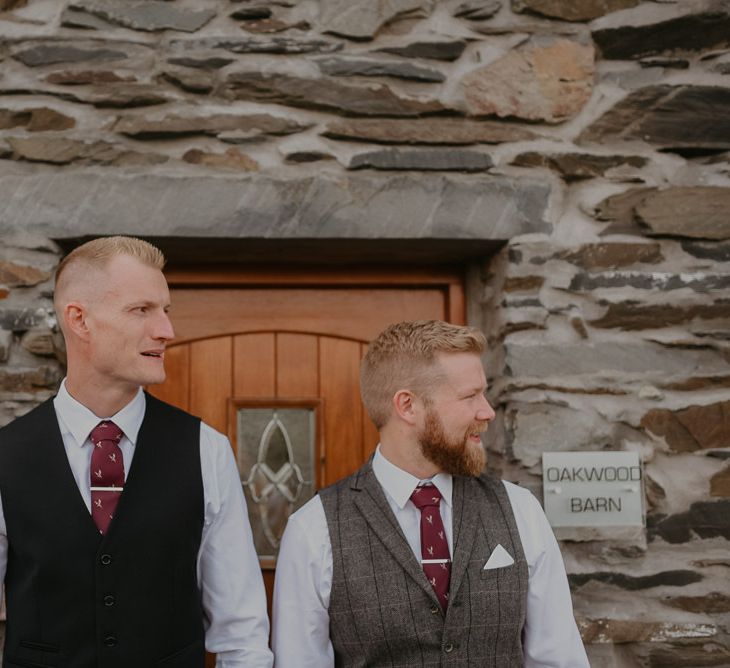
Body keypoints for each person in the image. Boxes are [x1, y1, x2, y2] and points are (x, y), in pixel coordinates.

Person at [0, 237, 273, 667]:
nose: (166, 330)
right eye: (141, 310)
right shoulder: (6, 456)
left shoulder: (206, 449)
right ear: (80, 319)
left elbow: (242, 633)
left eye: (165, 311)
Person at [272, 320, 589, 667]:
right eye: (470, 396)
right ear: (408, 406)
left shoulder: (521, 510)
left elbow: (559, 659)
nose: (487, 411)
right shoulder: (313, 530)